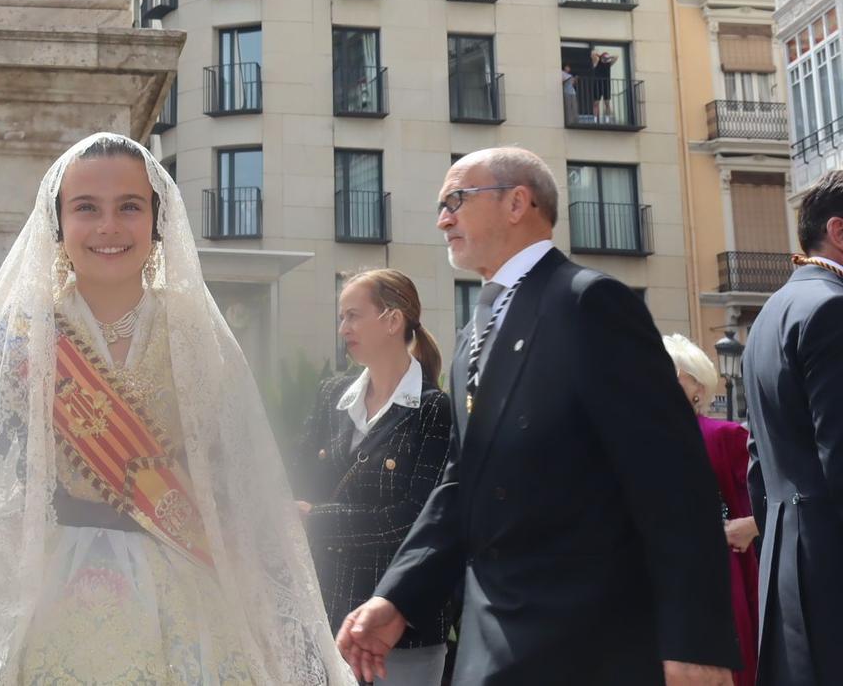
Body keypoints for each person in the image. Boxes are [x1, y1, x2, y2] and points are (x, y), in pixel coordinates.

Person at [0, 132, 351, 684]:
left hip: (185, 599)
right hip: (38, 594)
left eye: (129, 207)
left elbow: (246, 493)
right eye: (86, 208)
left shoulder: (199, 342)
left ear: (157, 222)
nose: (108, 226)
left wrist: (288, 628)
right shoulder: (16, 340)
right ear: (58, 224)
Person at [338, 147, 740, 685]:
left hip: (589, 647)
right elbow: (463, 486)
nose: (443, 219)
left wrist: (695, 644)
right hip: (492, 646)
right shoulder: (470, 337)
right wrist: (396, 597)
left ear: (517, 203)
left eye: (455, 199)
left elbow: (672, 479)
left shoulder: (590, 303)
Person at [293, 269, 456, 686]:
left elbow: (416, 518)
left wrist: (316, 517)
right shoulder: (331, 395)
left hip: (401, 634)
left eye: (352, 315)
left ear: (392, 320)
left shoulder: (435, 410)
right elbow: (297, 480)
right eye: (341, 317)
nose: (343, 327)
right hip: (325, 619)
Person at [742, 167, 843, 684]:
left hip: (783, 558)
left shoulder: (767, 314)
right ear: (839, 231)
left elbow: (757, 464)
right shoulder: (832, 308)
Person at [663, 333, 758, 686]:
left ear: (697, 386)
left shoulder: (724, 436)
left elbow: (762, 503)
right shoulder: (642, 442)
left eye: (670, 372)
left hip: (717, 571)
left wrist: (749, 527)